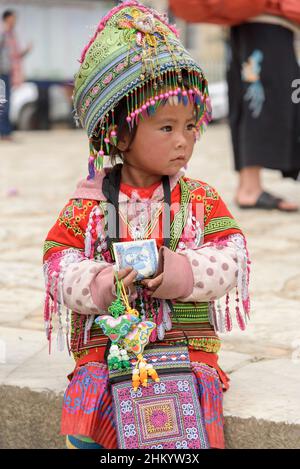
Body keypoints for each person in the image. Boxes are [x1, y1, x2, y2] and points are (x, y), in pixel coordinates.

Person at [43, 1, 251, 450]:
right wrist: (99, 283)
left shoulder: (199, 200)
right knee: (88, 416)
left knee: (187, 411)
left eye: (191, 126)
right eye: (166, 127)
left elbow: (233, 254)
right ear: (118, 135)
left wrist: (178, 271)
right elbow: (58, 262)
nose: (184, 140)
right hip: (110, 348)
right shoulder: (89, 206)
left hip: (184, 345)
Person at [169, 0, 300, 212]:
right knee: (259, 102)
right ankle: (250, 188)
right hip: (263, 20)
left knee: (249, 100)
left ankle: (248, 186)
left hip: (250, 20)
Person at [0, 9, 32, 140]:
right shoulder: (2, 33)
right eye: (13, 18)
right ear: (7, 18)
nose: (15, 21)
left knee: (7, 103)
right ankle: (3, 133)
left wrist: (26, 51)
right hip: (1, 73)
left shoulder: (11, 35)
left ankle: (6, 133)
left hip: (8, 73)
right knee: (3, 103)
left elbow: (15, 56)